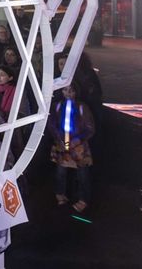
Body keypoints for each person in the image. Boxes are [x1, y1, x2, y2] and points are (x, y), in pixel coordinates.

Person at [48, 84, 95, 213]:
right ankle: (60, 193)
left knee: (83, 174)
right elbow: (51, 124)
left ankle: (84, 198)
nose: (68, 93)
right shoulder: (57, 106)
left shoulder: (81, 107)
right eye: (65, 90)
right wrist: (59, 138)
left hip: (78, 147)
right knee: (60, 172)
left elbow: (90, 128)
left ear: (76, 92)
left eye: (71, 90)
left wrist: (77, 140)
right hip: (62, 144)